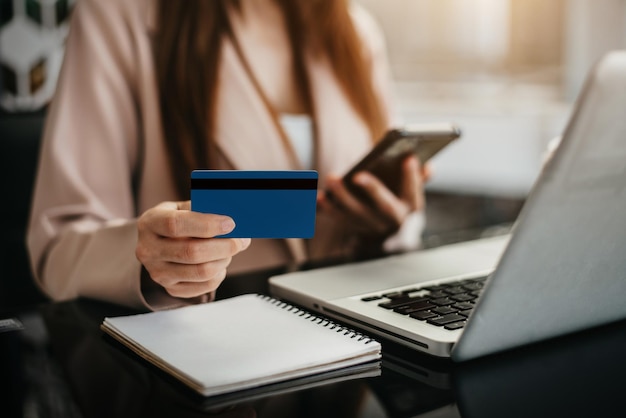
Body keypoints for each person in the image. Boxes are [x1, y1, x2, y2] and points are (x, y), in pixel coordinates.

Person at [27, 0, 429, 310]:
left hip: (349, 355)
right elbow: (58, 250)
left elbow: (404, 228)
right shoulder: (119, 15)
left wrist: (389, 226)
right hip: (208, 355)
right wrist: (151, 260)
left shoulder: (357, 32)